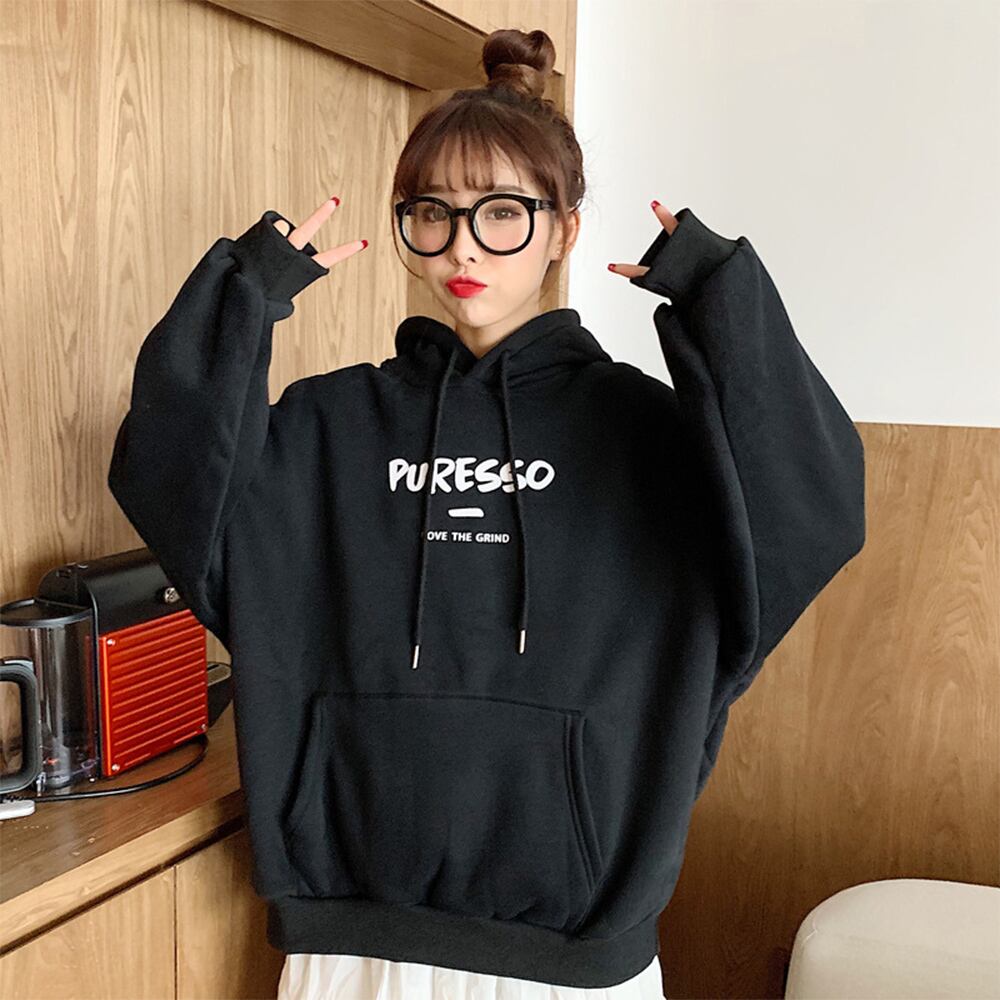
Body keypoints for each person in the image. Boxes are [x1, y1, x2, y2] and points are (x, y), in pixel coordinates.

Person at [107, 26, 865, 1000]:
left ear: (563, 230)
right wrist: (239, 297)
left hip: (570, 962)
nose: (463, 244)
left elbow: (814, 509)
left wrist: (722, 298)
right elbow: (168, 483)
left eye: (502, 211)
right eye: (433, 211)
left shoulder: (649, 438)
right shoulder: (324, 428)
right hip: (353, 942)